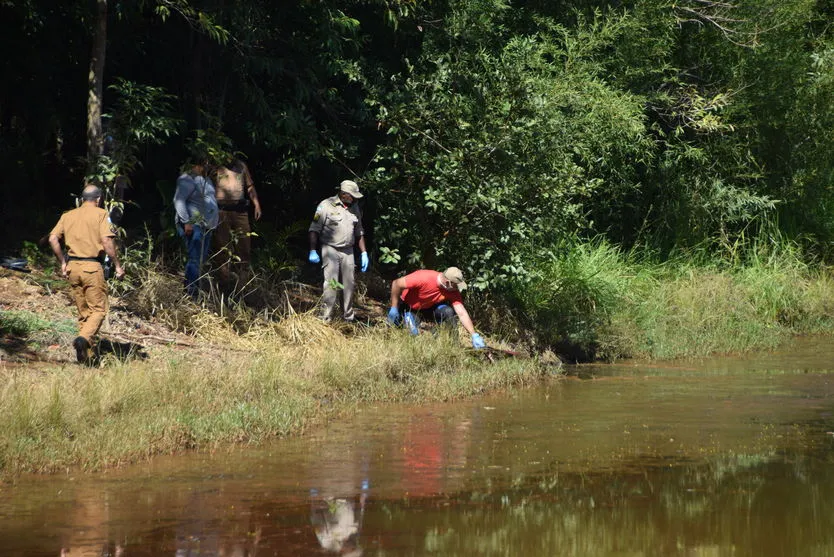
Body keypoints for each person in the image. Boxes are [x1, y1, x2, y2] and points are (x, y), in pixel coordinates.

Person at [48, 184, 125, 364]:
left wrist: (62, 262)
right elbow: (106, 241)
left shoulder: (68, 215)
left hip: (72, 267)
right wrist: (117, 265)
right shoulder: (101, 214)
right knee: (98, 309)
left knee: (84, 313)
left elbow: (52, 238)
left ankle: (86, 359)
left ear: (83, 199)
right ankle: (83, 340)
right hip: (92, 267)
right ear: (98, 199)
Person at [308, 180, 369, 322]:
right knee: (331, 284)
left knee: (349, 284)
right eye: (351, 195)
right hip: (330, 249)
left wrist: (364, 253)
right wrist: (312, 250)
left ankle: (347, 318)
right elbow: (314, 229)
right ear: (343, 194)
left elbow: (359, 232)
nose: (354, 198)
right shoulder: (326, 205)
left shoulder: (355, 208)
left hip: (348, 251)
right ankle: (326, 318)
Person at [386, 267, 487, 350]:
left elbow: (462, 313)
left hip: (430, 307)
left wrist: (474, 335)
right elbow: (396, 283)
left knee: (448, 311)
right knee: (413, 334)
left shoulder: (452, 290)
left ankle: (453, 347)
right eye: (457, 285)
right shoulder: (423, 277)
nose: (458, 289)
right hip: (410, 308)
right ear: (448, 282)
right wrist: (394, 307)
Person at [212, 157, 262, 287]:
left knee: (244, 242)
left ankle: (243, 281)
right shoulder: (216, 166)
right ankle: (224, 280)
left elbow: (250, 186)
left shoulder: (241, 166)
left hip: (240, 211)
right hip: (221, 210)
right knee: (222, 245)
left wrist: (256, 204)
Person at [173, 157, 219, 297]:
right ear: (202, 163)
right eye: (209, 164)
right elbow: (178, 200)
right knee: (194, 258)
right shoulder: (188, 179)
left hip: (206, 226)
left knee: (200, 260)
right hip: (194, 225)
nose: (211, 167)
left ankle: (194, 290)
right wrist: (187, 222)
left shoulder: (207, 180)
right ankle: (190, 293)